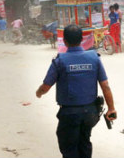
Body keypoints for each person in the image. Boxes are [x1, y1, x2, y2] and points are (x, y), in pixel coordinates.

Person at [36, 24, 116, 158]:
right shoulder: (94, 58)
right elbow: (105, 85)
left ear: (65, 41)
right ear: (81, 39)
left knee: (69, 148)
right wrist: (111, 108)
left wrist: (38, 93)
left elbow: (46, 87)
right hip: (90, 114)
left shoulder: (59, 61)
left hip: (69, 114)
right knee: (84, 144)